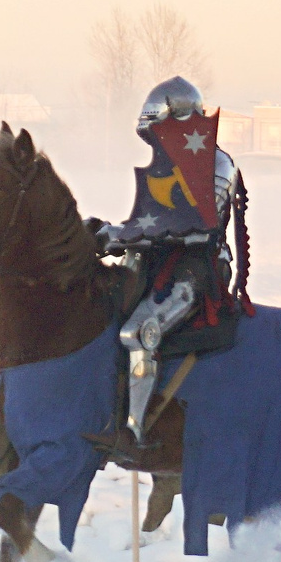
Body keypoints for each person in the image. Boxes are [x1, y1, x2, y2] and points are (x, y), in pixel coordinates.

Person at [95, 76, 249, 444]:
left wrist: (123, 236)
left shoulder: (215, 163)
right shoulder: (166, 166)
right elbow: (150, 222)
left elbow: (195, 228)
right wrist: (103, 233)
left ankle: (133, 433)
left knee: (138, 333)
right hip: (153, 261)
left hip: (197, 268)